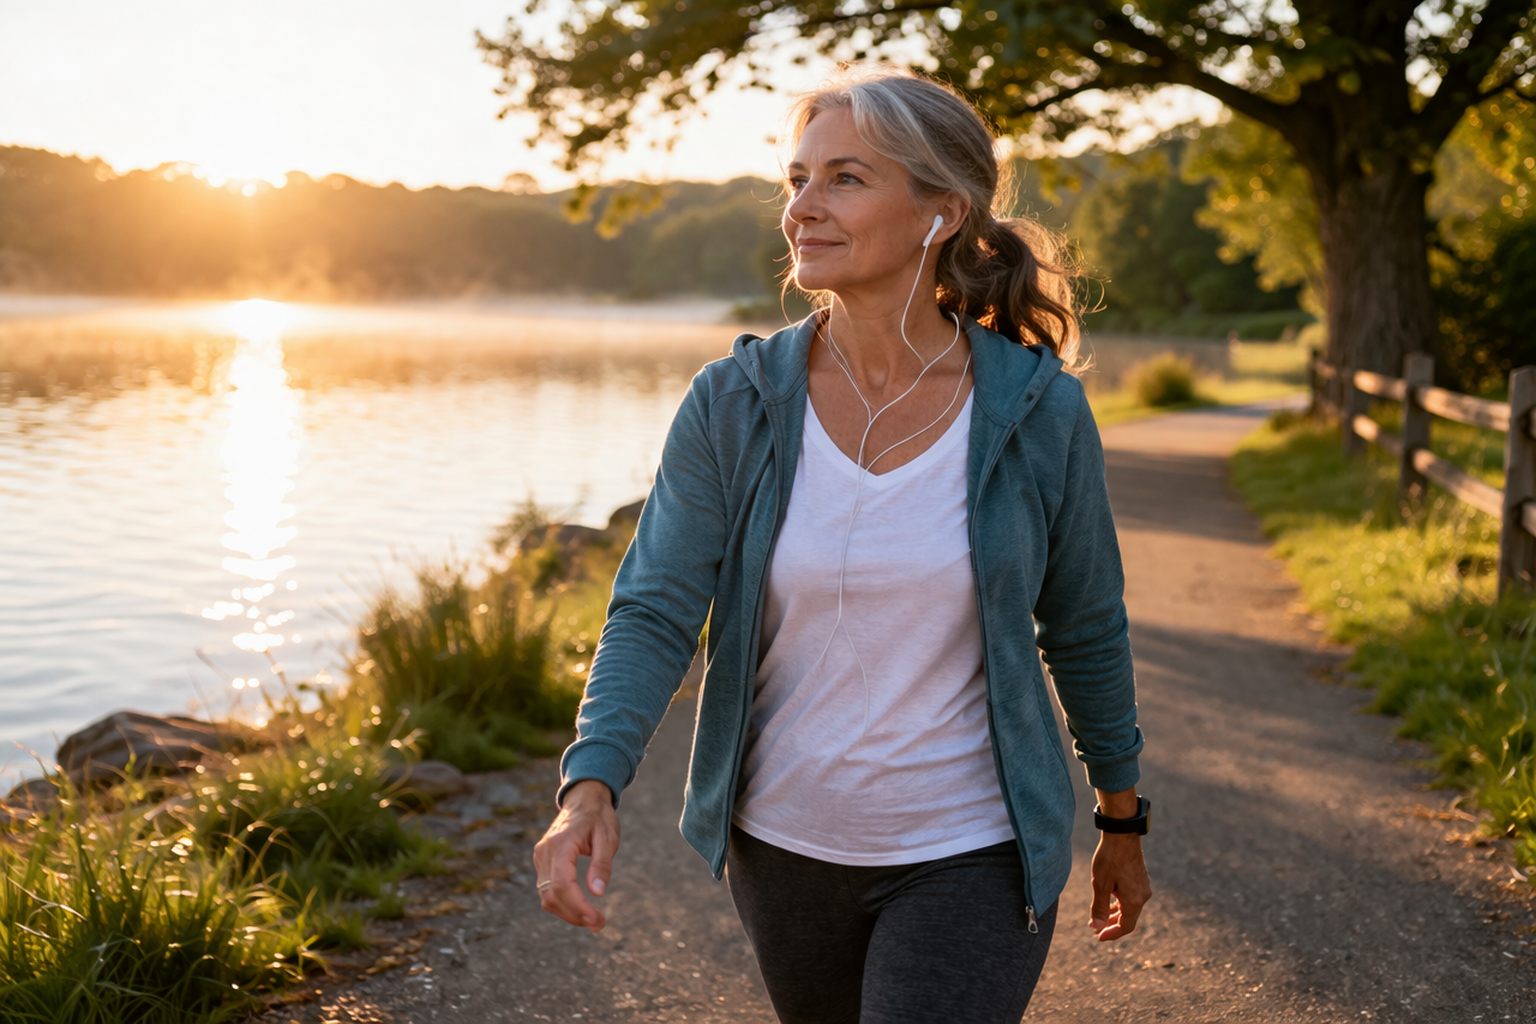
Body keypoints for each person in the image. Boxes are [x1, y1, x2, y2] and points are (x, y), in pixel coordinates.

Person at [533, 64, 1151, 1023]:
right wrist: (591, 781)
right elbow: (654, 607)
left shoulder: (1038, 411)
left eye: (845, 180)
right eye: (796, 180)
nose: (802, 210)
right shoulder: (734, 404)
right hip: (782, 850)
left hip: (972, 850)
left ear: (939, 212)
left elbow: (1084, 625)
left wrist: (1121, 815)